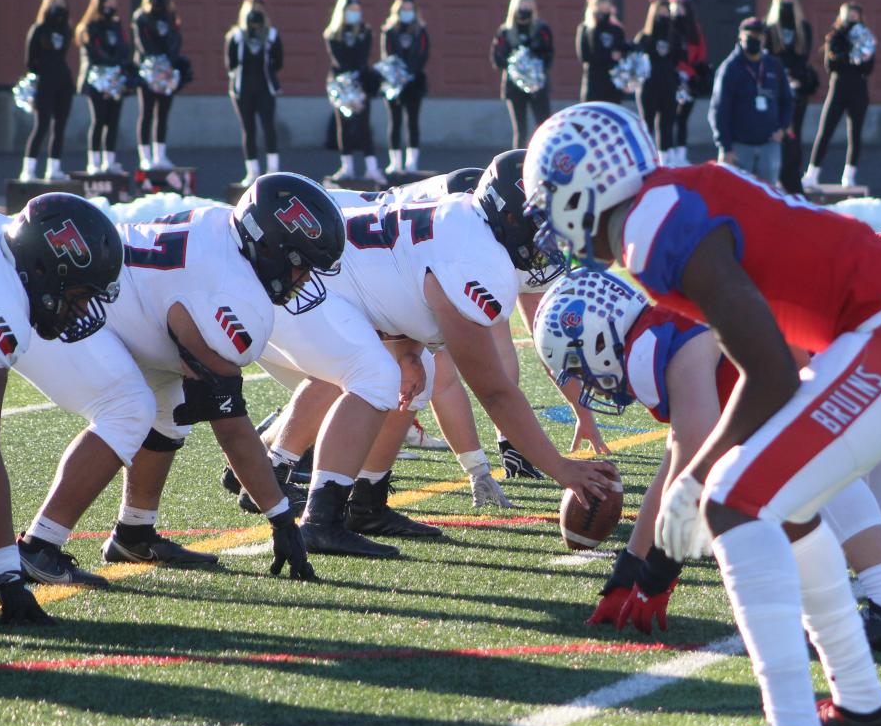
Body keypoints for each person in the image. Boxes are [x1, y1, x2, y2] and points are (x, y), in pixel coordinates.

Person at [526, 102, 881, 726]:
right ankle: (861, 705)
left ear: (581, 186)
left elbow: (768, 369)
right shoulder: (661, 207)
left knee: (734, 503)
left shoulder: (653, 227)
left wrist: (692, 479)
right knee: (788, 502)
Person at [256, 157, 616, 558]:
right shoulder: (478, 259)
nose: (550, 241)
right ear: (512, 218)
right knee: (375, 377)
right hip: (293, 289)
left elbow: (395, 281)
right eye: (543, 226)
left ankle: (366, 503)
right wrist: (562, 469)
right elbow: (494, 392)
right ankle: (321, 520)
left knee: (419, 371)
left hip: (327, 290)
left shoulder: (465, 219)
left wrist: (408, 351)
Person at [12, 175, 340, 589]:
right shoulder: (233, 293)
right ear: (272, 250)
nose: (304, 279)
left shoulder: (224, 227)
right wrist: (280, 517)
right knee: (128, 410)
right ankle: (40, 545)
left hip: (115, 306)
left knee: (169, 408)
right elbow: (232, 427)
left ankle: (134, 533)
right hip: (66, 303)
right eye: (301, 264)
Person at [0, 194, 123, 624]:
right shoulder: (0, 314)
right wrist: (8, 581)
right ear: (44, 269)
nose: (80, 309)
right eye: (79, 296)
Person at [709, 18, 792, 184]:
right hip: (739, 147)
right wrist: (725, 146)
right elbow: (719, 109)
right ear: (741, 37)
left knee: (768, 197)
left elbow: (787, 100)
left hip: (769, 144)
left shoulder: (773, 65)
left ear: (764, 39)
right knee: (735, 196)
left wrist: (783, 127)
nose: (755, 40)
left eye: (759, 36)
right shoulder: (730, 68)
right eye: (750, 36)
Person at [804, 2, 873, 189]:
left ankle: (849, 175)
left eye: (854, 15)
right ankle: (812, 173)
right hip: (838, 89)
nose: (851, 18)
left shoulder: (866, 36)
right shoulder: (835, 36)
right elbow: (831, 65)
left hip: (858, 90)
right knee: (825, 131)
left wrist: (855, 58)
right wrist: (849, 55)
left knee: (855, 134)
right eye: (848, 15)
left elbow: (868, 67)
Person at [324, 0, 383, 183]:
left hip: (361, 83)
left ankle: (372, 168)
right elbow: (339, 60)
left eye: (357, 9)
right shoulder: (333, 34)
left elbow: (362, 57)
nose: (355, 13)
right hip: (341, 85)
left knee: (364, 125)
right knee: (344, 126)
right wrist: (346, 84)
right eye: (351, 9)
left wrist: (359, 84)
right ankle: (346, 166)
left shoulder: (365, 31)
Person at [225, 0, 283, 186]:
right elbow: (230, 63)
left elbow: (279, 62)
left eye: (259, 11)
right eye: (252, 11)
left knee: (268, 127)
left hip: (265, 87)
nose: (255, 16)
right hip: (243, 88)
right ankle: (252, 172)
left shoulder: (272, 34)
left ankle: (273, 170)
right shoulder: (236, 36)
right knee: (248, 129)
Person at [766, 0, 816, 193]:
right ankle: (774, 175)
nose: (786, 1)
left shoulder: (803, 27)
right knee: (775, 130)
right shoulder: (770, 28)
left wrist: (794, 76)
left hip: (797, 85)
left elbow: (803, 55)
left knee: (794, 131)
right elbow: (769, 55)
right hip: (776, 86)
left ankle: (792, 176)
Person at [76, 0, 132, 176]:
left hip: (116, 79)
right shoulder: (89, 27)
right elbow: (94, 53)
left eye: (112, 3)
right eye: (106, 3)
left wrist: (118, 74)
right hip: (96, 80)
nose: (110, 7)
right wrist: (105, 77)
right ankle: (94, 161)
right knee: (99, 120)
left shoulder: (116, 26)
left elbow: (124, 50)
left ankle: (109, 160)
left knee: (113, 120)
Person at [20, 0, 75, 183]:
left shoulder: (66, 29)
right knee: (41, 125)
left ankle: (54, 168)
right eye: (55, 4)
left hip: (63, 82)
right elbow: (30, 60)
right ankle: (28, 169)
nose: (58, 8)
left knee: (59, 126)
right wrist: (41, 73)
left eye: (62, 4)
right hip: (44, 82)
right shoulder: (39, 29)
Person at [132, 0, 187, 170]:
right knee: (146, 111)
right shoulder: (141, 17)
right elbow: (142, 44)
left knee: (162, 113)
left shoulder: (171, 17)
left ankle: (160, 155)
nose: (159, 0)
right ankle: (145, 156)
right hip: (148, 72)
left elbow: (175, 40)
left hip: (167, 72)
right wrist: (156, 63)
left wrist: (169, 63)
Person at [491, 0, 553, 148]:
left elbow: (549, 54)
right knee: (520, 129)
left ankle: (543, 157)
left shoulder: (541, 29)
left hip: (537, 85)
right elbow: (497, 57)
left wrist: (534, 65)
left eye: (528, 6)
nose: (524, 10)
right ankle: (518, 164)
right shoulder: (505, 31)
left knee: (543, 125)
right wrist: (516, 65)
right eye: (521, 6)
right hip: (514, 86)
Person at [381, 0, 430, 176]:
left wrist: (410, 73)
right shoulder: (389, 31)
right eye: (404, 9)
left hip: (414, 82)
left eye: (410, 9)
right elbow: (387, 55)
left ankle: (412, 162)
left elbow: (424, 54)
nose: (407, 12)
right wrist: (398, 74)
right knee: (394, 121)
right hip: (393, 82)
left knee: (412, 121)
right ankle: (394, 162)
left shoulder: (421, 31)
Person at [634, 0, 683, 156]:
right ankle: (647, 156)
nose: (663, 15)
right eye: (660, 12)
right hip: (649, 86)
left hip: (668, 85)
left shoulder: (674, 36)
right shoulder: (644, 37)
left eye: (666, 12)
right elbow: (636, 59)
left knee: (667, 124)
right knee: (646, 123)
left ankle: (666, 159)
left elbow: (679, 59)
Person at [667, 0, 710, 167]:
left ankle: (681, 153)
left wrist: (693, 72)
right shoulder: (669, 27)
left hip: (689, 78)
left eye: (680, 7)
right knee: (669, 117)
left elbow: (700, 53)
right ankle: (668, 153)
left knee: (683, 117)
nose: (677, 10)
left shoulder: (694, 29)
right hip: (672, 76)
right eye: (674, 6)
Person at [575, 0, 627, 104]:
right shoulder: (585, 29)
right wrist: (609, 56)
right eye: (600, 8)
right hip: (594, 80)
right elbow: (584, 56)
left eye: (606, 8)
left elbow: (622, 51)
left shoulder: (616, 29)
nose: (604, 12)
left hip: (613, 82)